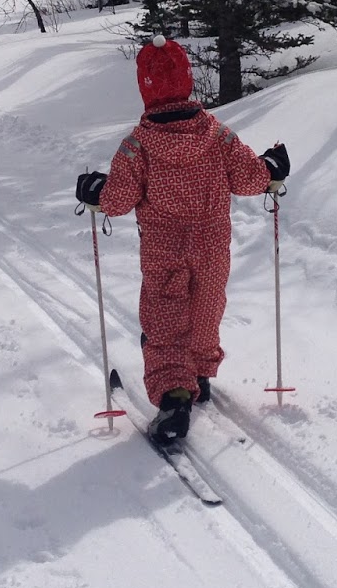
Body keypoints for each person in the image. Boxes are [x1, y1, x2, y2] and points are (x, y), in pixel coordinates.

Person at [75, 36, 291, 446]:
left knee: (166, 319)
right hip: (212, 246)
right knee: (207, 306)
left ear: (146, 87)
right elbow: (248, 177)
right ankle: (200, 375)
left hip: (164, 250)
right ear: (188, 80)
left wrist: (95, 191)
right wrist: (270, 166)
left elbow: (118, 199)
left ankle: (176, 397)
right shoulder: (216, 134)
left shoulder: (138, 145)